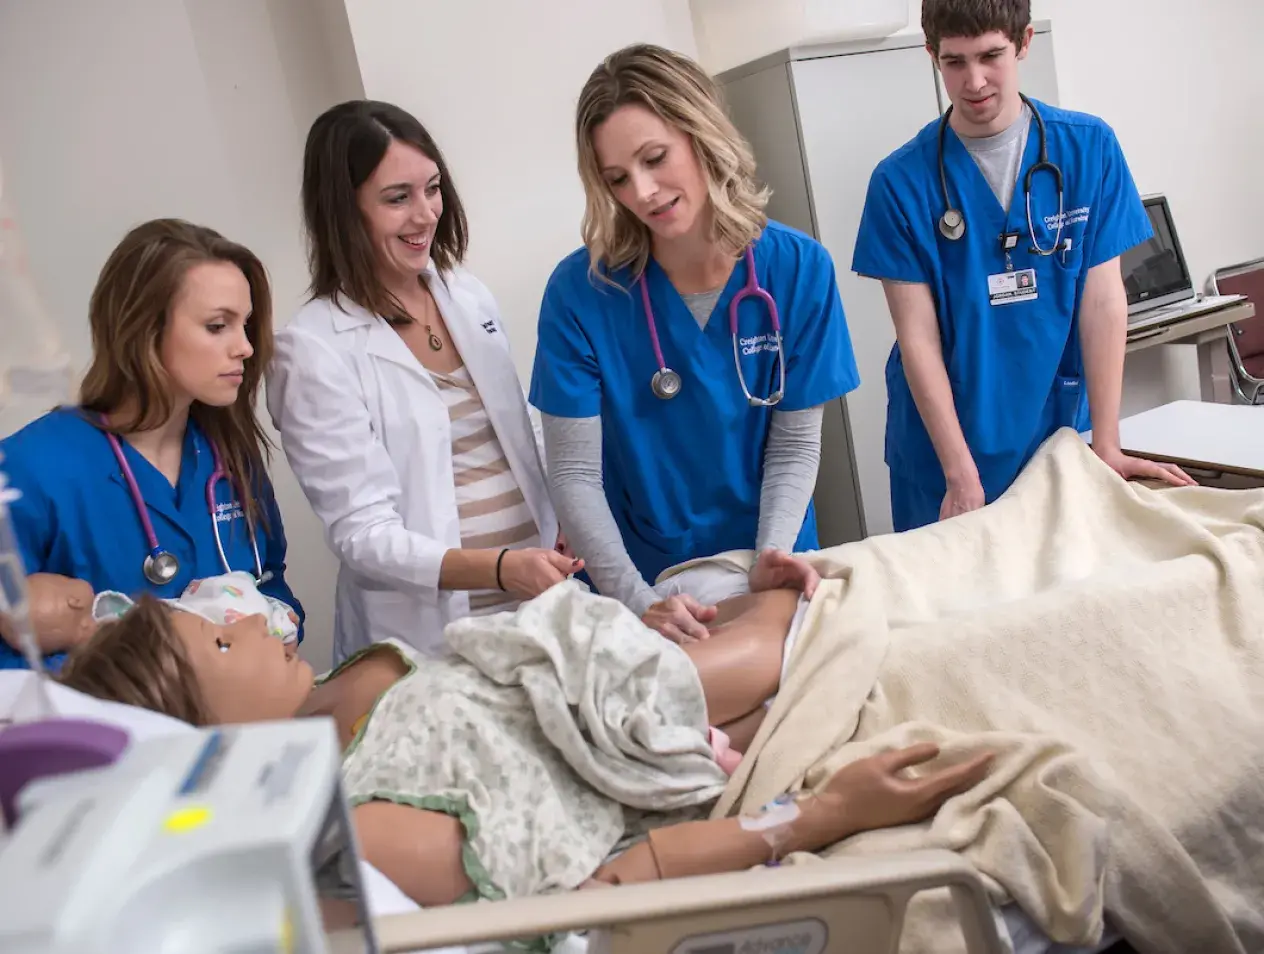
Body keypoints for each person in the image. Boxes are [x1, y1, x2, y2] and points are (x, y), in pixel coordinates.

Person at [56, 560, 993, 908]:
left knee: (779, 609)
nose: (255, 621)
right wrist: (816, 817)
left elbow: (484, 674)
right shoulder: (365, 831)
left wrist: (621, 641)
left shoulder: (327, 696)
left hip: (585, 687)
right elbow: (594, 883)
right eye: (222, 637)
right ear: (210, 737)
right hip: (620, 753)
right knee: (785, 638)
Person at [529, 44, 861, 644]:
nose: (645, 192)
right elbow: (574, 472)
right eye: (618, 179)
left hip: (767, 554)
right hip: (646, 577)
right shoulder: (581, 295)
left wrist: (770, 559)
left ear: (701, 134)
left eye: (656, 158)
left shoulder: (797, 270)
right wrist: (635, 602)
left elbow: (793, 447)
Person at [852, 0, 1196, 533]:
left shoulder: (1089, 149)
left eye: (992, 55)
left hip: (1056, 434)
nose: (975, 80)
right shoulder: (899, 182)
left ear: (1025, 42)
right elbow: (916, 337)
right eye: (955, 62)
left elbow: (1103, 301)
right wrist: (960, 473)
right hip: (945, 451)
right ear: (931, 55)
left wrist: (1107, 443)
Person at [267, 100, 579, 664]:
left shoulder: (464, 292)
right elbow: (362, 533)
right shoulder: (310, 349)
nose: (426, 214)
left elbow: (516, 432)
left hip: (539, 602)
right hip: (434, 631)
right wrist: (501, 567)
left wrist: (566, 514)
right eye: (397, 198)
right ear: (343, 210)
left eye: (432, 188)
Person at [0, 218, 304, 671]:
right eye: (218, 325)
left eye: (247, 325)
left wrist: (282, 629)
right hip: (109, 733)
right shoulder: (32, 468)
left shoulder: (231, 459)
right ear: (144, 329)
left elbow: (270, 582)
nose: (244, 346)